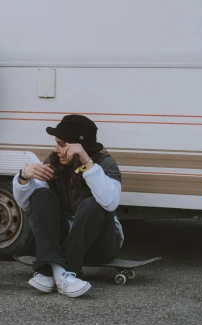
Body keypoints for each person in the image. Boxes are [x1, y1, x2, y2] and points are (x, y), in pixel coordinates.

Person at [12, 115, 124, 298]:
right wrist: (24, 177)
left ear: (78, 146)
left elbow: (110, 202)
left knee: (94, 204)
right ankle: (55, 273)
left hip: (99, 246)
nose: (56, 149)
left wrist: (87, 163)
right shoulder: (54, 161)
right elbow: (28, 205)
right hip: (63, 242)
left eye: (62, 144)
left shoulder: (104, 163)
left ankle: (59, 269)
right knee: (40, 195)